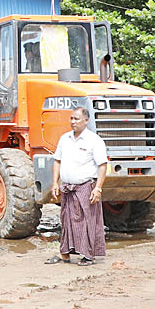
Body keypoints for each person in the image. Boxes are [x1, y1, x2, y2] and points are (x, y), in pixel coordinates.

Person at [48, 106, 108, 265]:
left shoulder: (94, 140)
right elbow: (57, 161)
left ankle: (88, 255)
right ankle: (65, 254)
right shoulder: (65, 139)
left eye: (76, 119)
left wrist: (98, 188)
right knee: (67, 221)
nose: (73, 122)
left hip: (86, 187)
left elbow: (102, 165)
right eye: (71, 118)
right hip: (67, 187)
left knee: (87, 221)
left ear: (86, 121)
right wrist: (55, 183)